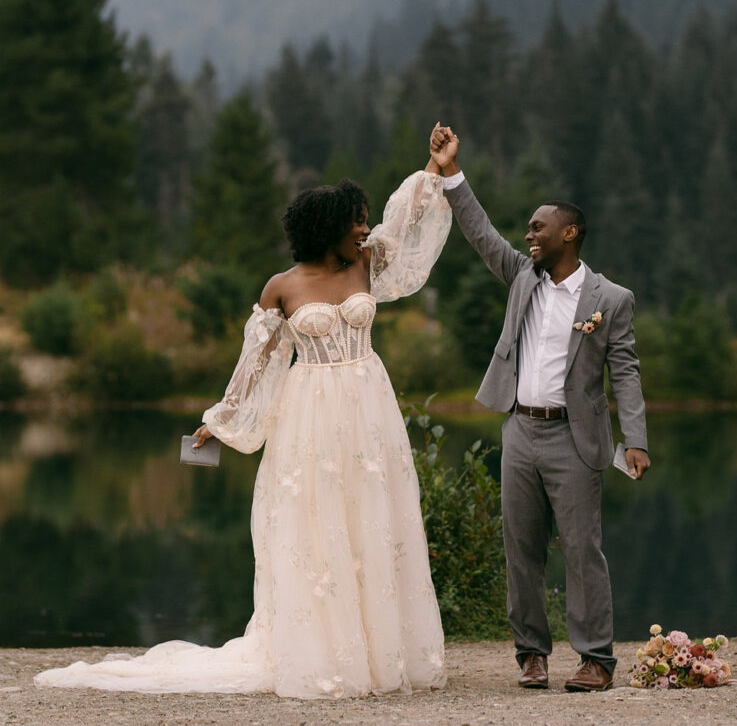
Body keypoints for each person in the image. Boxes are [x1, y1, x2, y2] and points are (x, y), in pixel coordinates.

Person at [36, 162, 451, 698]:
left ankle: (380, 653)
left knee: (373, 516)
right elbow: (259, 362)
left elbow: (406, 224)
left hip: (369, 406)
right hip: (312, 413)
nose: (364, 230)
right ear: (327, 227)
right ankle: (328, 654)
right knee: (318, 524)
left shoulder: (367, 265)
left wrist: (434, 170)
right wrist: (219, 419)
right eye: (354, 222)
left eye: (365, 221)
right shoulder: (283, 286)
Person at [429, 122, 650, 693]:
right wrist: (451, 172)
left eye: (539, 226)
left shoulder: (611, 300)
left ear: (569, 232)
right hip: (520, 430)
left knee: (583, 550)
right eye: (528, 227)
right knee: (521, 549)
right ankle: (531, 654)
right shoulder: (521, 279)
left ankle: (596, 660)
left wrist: (639, 438)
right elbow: (480, 233)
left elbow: (624, 370)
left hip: (577, 439)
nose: (529, 234)